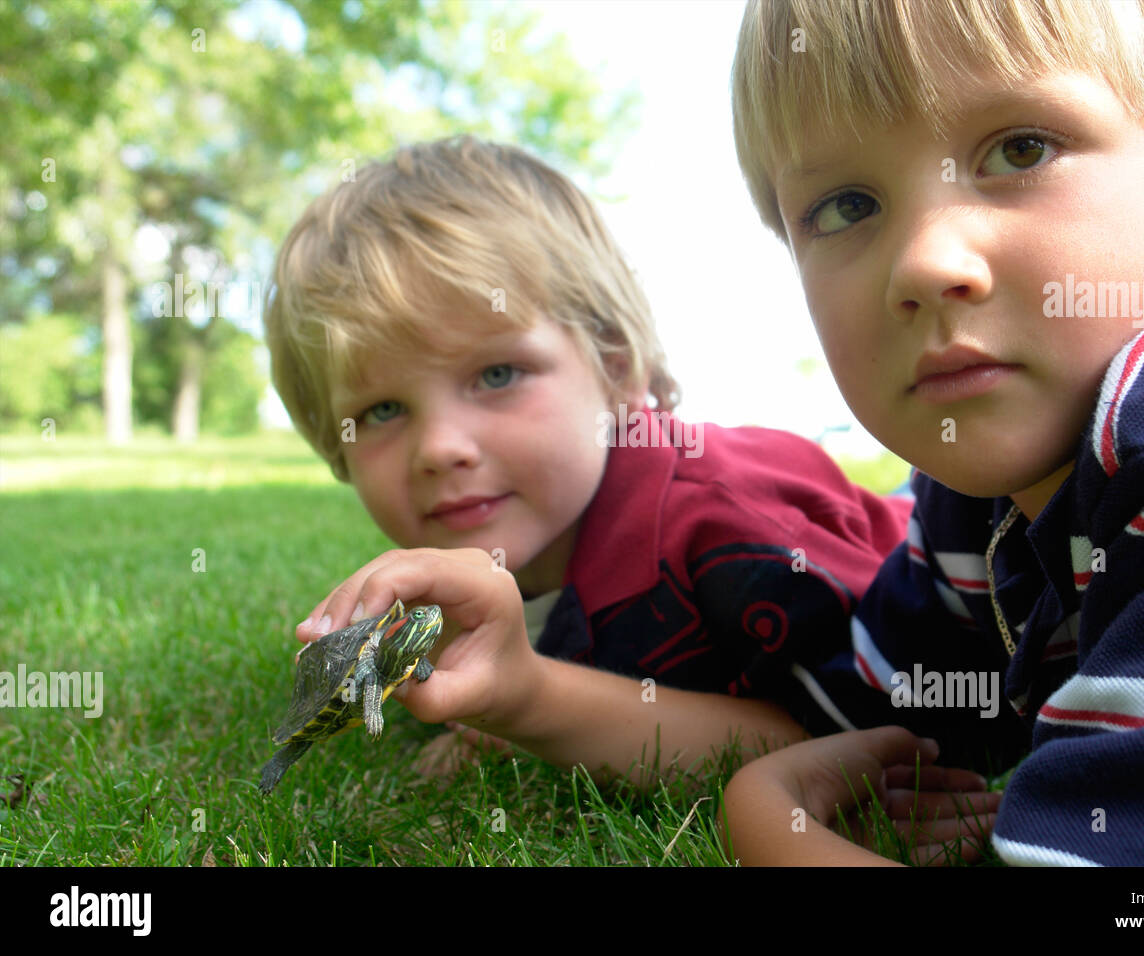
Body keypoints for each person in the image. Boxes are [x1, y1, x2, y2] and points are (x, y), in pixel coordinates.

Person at [263, 137, 993, 845]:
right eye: (383, 411)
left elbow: (861, 731)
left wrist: (529, 700)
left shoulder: (727, 523)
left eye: (496, 375)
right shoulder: (468, 572)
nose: (440, 448)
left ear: (616, 369)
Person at [720, 0, 1144, 865]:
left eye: (1021, 148)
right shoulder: (970, 511)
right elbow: (852, 731)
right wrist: (527, 692)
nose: (925, 262)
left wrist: (768, 826)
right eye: (845, 206)